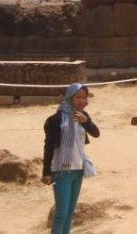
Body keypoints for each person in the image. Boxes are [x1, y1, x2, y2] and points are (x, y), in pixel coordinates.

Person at [43, 82, 100, 234]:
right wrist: (46, 172)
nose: (82, 101)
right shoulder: (55, 119)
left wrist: (86, 122)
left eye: (84, 97)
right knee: (61, 213)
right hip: (62, 171)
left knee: (69, 213)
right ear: (70, 97)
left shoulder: (83, 116)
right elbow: (48, 147)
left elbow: (96, 133)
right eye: (77, 97)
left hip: (78, 170)